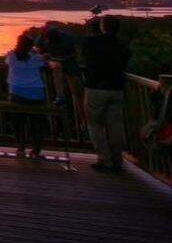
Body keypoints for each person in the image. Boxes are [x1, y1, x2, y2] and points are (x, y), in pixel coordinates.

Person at [84, 15, 131, 172]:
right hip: (116, 89)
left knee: (95, 124)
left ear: (102, 27)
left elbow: (86, 56)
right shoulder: (123, 45)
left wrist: (93, 30)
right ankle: (117, 158)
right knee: (116, 125)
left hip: (95, 88)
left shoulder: (92, 42)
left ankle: (104, 159)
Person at [36, 27, 87, 129]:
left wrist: (61, 58)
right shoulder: (42, 37)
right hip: (54, 64)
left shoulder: (67, 39)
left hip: (69, 63)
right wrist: (46, 56)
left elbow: (75, 53)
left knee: (78, 93)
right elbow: (38, 51)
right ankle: (60, 98)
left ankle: (84, 122)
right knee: (57, 70)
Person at [6, 34, 46, 158]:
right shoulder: (36, 58)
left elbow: (9, 60)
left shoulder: (11, 56)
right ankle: (36, 149)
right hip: (36, 94)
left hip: (16, 93)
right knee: (36, 123)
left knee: (18, 122)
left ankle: (21, 146)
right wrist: (35, 51)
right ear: (30, 46)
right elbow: (44, 60)